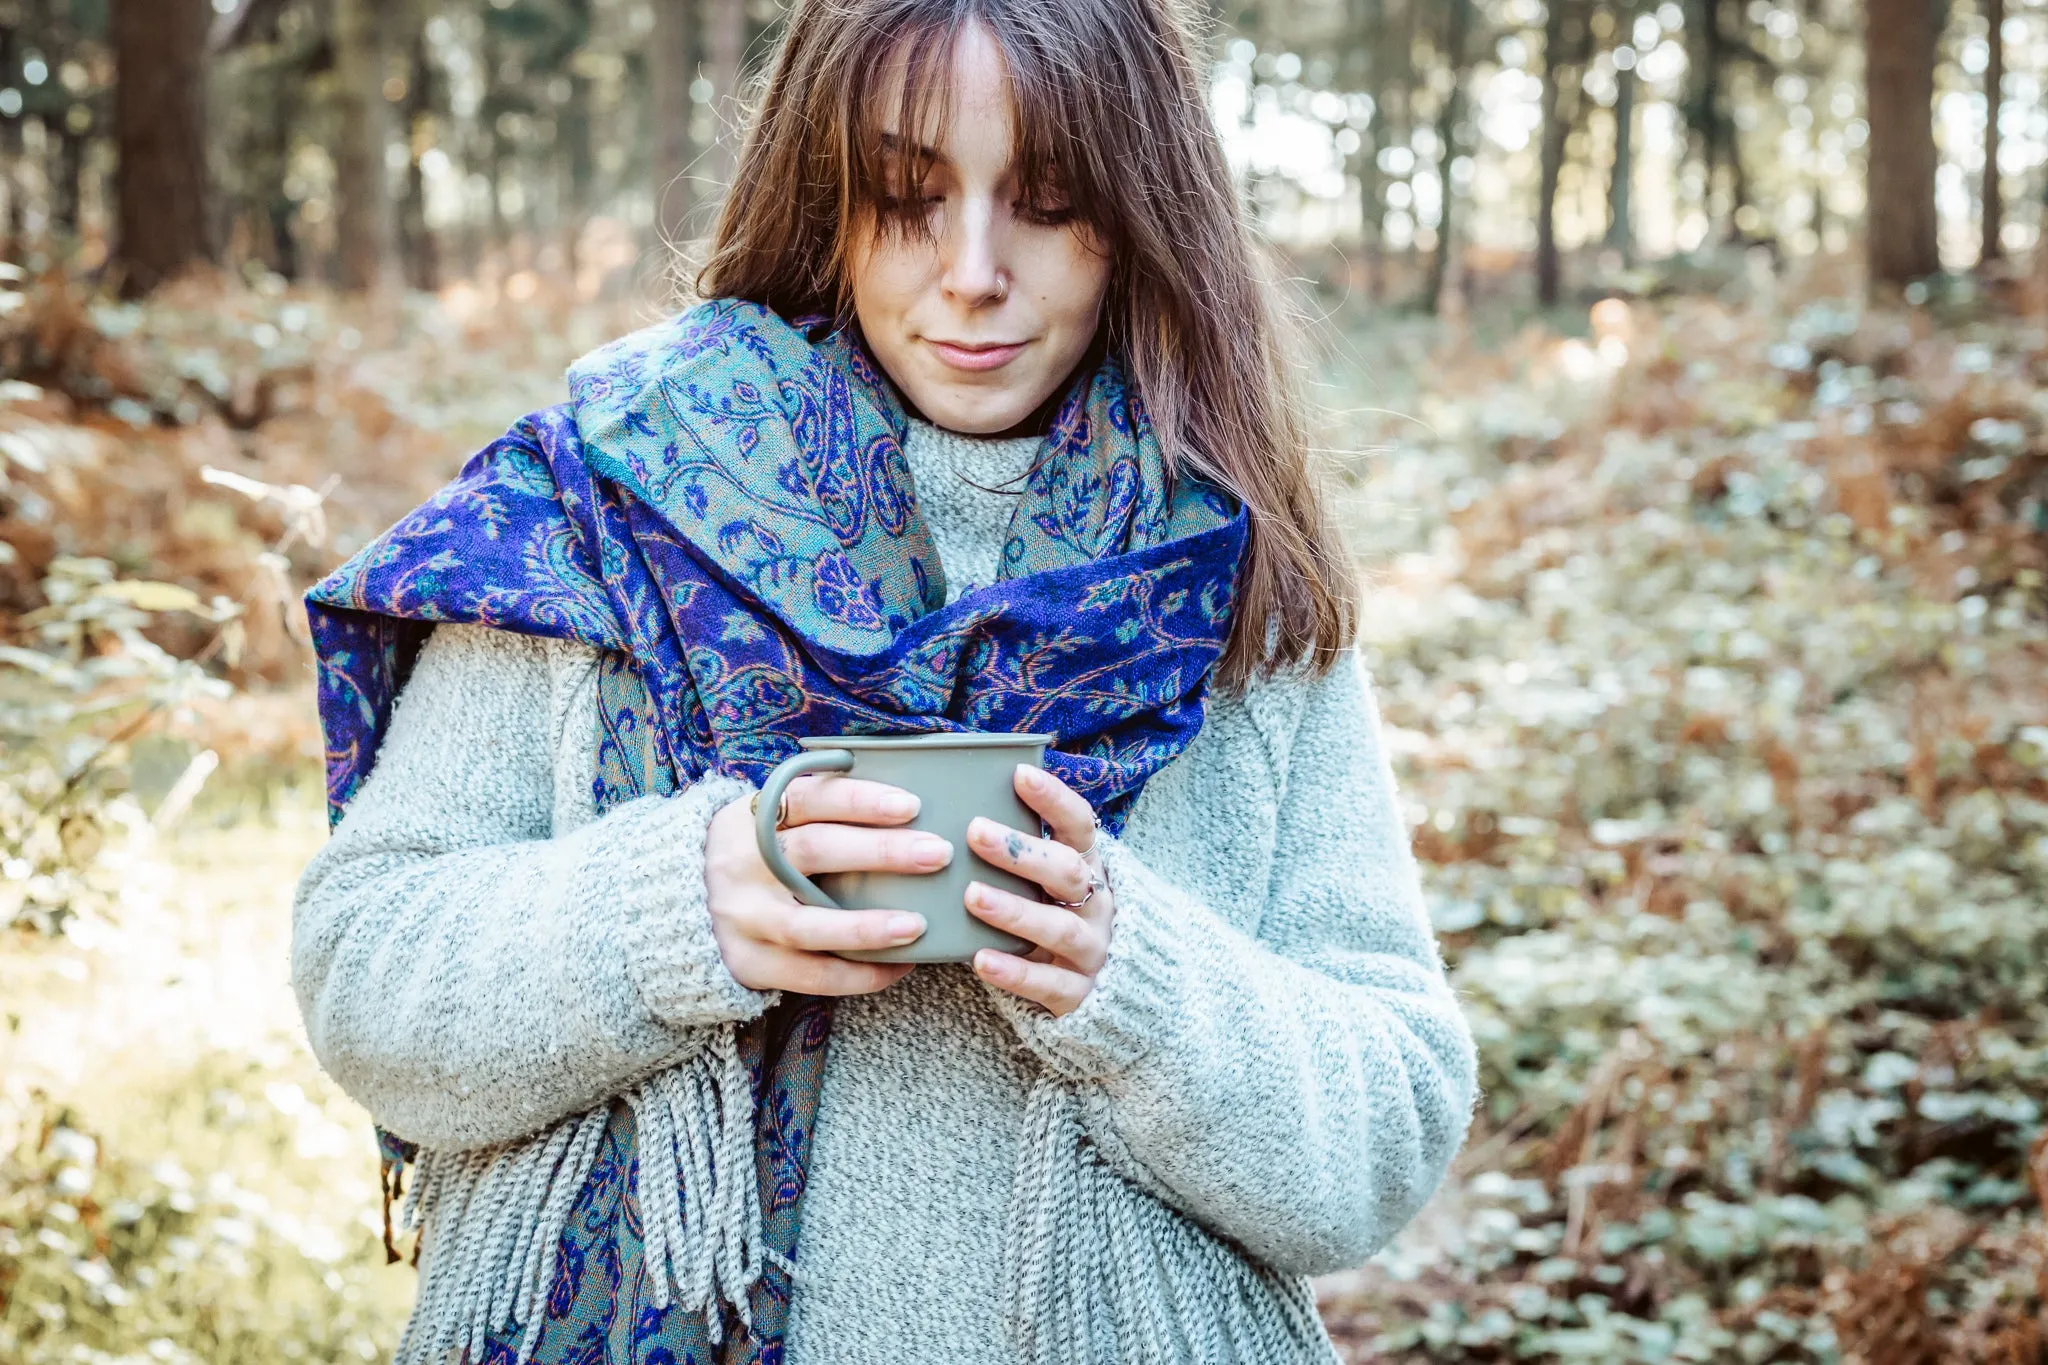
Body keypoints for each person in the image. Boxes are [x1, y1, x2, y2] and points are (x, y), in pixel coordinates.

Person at [291, 0, 1477, 1360]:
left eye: (1049, 200)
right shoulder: (611, 504)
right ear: (828, 194)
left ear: (1142, 213)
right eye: (910, 195)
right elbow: (363, 970)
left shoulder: (1230, 576)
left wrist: (1134, 980)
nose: (974, 272)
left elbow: (1388, 1131)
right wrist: (677, 909)